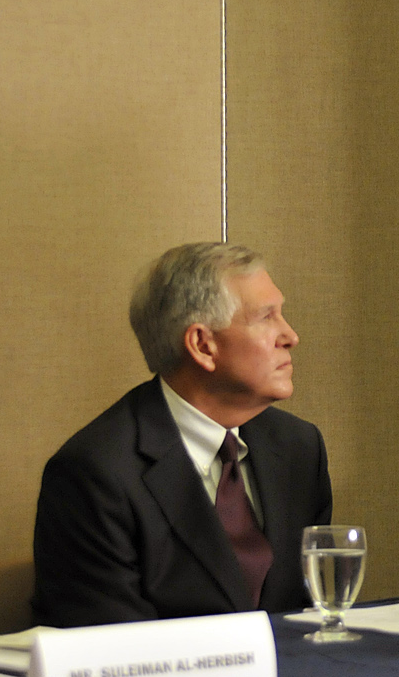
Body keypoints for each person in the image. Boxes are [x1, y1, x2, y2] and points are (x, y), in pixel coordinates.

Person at [31, 243, 333, 626]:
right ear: (202, 345)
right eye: (266, 317)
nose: (290, 335)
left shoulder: (299, 449)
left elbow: (310, 612)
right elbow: (110, 649)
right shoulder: (94, 474)